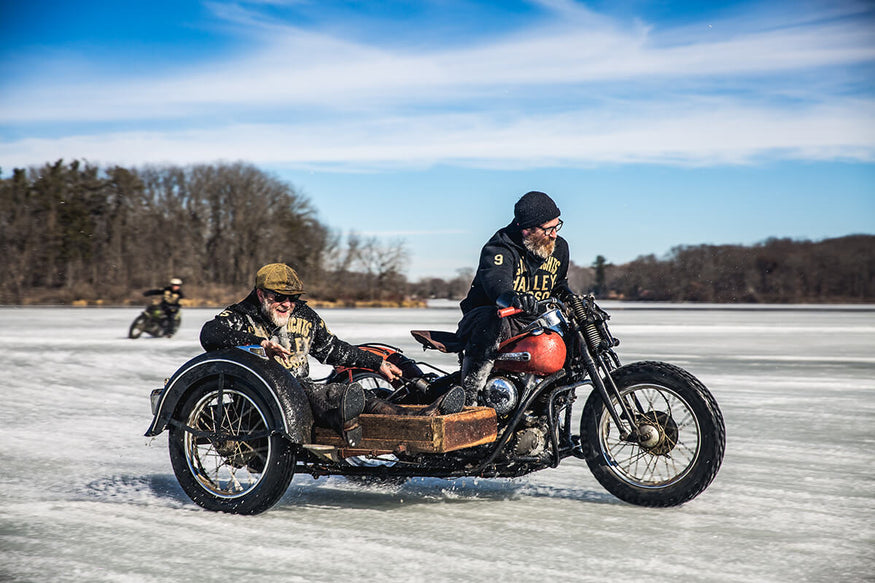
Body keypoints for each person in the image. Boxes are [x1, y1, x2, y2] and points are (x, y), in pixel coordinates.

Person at [200, 263, 464, 447]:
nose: (287, 304)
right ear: (261, 294)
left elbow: (333, 349)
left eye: (293, 298)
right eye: (280, 297)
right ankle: (409, 419)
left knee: (355, 395)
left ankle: (421, 418)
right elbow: (210, 334)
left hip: (298, 395)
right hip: (260, 400)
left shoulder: (303, 316)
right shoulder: (239, 316)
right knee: (336, 394)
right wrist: (258, 343)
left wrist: (376, 363)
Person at [456, 191, 572, 405]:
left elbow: (559, 286)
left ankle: (552, 406)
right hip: (492, 321)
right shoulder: (500, 248)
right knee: (491, 319)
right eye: (548, 229)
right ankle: (470, 397)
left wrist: (573, 301)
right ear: (527, 229)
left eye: (557, 226)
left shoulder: (559, 248)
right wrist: (511, 297)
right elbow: (496, 283)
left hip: (533, 322)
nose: (554, 234)